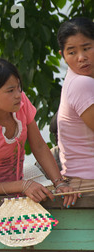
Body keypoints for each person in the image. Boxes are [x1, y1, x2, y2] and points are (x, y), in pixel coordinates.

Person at [0, 57, 77, 207]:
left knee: (57, 195)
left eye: (18, 88)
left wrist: (59, 183)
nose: (18, 95)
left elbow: (40, 146)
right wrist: (22, 185)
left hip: (20, 179)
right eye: (10, 90)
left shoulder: (20, 102)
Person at [56, 17, 94, 194]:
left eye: (87, 48)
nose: (82, 58)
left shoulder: (75, 80)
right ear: (62, 55)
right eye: (72, 52)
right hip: (88, 184)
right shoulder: (81, 84)